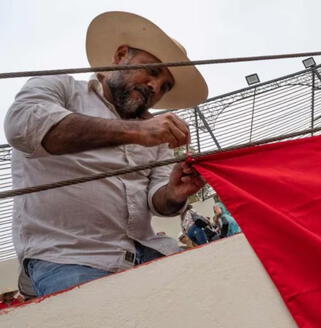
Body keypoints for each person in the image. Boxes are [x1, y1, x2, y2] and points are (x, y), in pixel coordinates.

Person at [4, 12, 209, 297]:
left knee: (210, 294)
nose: (155, 87)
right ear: (120, 55)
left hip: (147, 251)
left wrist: (175, 191)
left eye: (165, 86)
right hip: (66, 258)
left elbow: (158, 202)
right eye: (151, 70)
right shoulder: (60, 87)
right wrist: (137, 132)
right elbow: (24, 126)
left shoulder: (155, 132)